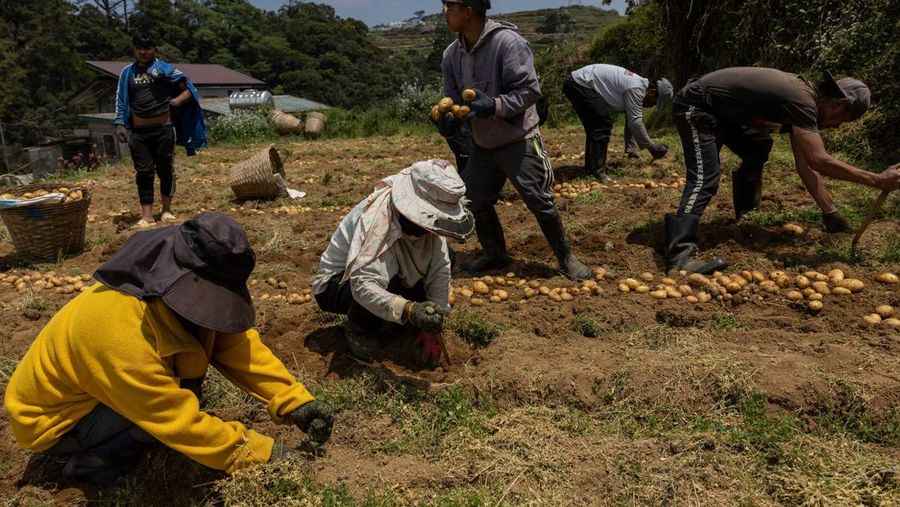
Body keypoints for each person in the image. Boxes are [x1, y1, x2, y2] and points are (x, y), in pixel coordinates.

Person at [4, 212, 333, 485]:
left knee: (183, 387)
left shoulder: (163, 294)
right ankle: (93, 463)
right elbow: (176, 419)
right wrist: (261, 454)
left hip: (100, 392)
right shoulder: (119, 335)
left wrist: (294, 401)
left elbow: (235, 344)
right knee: (165, 413)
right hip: (56, 422)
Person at [665, 67, 900, 274]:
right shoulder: (802, 102)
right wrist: (877, 180)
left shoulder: (804, 103)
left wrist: (830, 212)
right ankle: (679, 254)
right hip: (696, 106)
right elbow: (819, 160)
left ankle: (747, 214)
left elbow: (806, 165)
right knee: (706, 177)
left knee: (758, 144)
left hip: (723, 113)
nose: (836, 126)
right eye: (842, 120)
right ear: (840, 104)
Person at [437, 0, 592, 280]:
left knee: (539, 200)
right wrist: (450, 123)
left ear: (468, 11)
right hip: (482, 144)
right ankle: (495, 253)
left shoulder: (508, 43)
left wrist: (495, 105)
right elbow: (454, 101)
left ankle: (566, 257)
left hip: (517, 139)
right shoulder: (452, 55)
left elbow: (530, 90)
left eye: (449, 6)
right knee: (474, 200)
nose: (444, 13)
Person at [312, 159, 473, 364]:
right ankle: (360, 327)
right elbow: (363, 284)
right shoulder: (377, 223)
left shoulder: (431, 227)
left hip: (388, 275)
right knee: (387, 280)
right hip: (338, 285)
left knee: (448, 255)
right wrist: (410, 310)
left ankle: (396, 317)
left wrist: (434, 323)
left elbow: (440, 269)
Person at [114, 33, 207, 229]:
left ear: (154, 49)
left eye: (147, 48)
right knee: (144, 171)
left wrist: (175, 102)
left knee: (165, 169)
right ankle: (147, 216)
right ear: (134, 49)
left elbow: (189, 89)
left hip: (163, 129)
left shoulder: (164, 69)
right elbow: (121, 99)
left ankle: (166, 210)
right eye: (139, 48)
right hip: (139, 132)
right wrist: (119, 123)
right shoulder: (127, 73)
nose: (143, 52)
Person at [563, 64, 673, 182]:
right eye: (655, 102)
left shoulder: (637, 86)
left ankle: (591, 168)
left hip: (577, 83)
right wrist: (652, 148)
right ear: (651, 92)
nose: (652, 106)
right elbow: (635, 123)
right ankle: (598, 171)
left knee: (596, 126)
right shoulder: (636, 88)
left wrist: (631, 150)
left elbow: (630, 120)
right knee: (601, 124)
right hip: (580, 84)